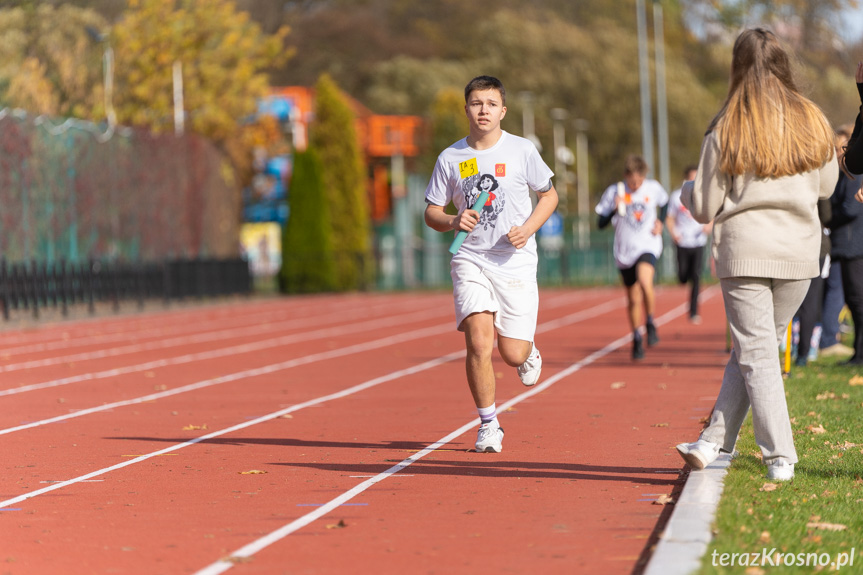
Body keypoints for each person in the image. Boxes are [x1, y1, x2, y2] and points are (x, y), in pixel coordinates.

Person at [675, 28, 838, 482]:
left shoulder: (728, 125)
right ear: (785, 64)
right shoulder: (814, 119)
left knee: (756, 352)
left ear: (737, 67)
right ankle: (711, 443)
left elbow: (705, 205)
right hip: (799, 253)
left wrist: (688, 189)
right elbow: (826, 186)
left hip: (746, 252)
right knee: (755, 349)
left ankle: (779, 455)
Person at [424, 75, 559, 453]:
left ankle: (528, 351)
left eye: (490, 103)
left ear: (503, 110)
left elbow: (549, 196)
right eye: (476, 103)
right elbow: (431, 211)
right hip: (470, 257)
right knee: (479, 342)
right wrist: (452, 221)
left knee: (512, 353)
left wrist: (528, 229)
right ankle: (488, 424)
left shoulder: (522, 151)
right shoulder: (450, 158)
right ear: (466, 109)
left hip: (514, 260)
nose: (483, 110)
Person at [595, 155, 668, 360]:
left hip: (648, 244)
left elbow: (665, 203)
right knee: (633, 298)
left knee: (645, 281)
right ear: (625, 176)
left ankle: (651, 322)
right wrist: (612, 208)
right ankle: (636, 336)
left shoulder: (653, 188)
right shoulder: (614, 192)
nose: (635, 185)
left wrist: (660, 222)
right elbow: (600, 224)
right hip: (624, 250)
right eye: (632, 181)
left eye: (639, 181)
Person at [665, 165, 713, 324]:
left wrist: (709, 226)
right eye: (691, 178)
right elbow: (670, 218)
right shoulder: (675, 196)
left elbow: (712, 214)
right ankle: (683, 277)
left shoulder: (705, 194)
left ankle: (693, 312)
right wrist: (674, 234)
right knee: (683, 276)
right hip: (682, 241)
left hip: (698, 242)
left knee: (696, 276)